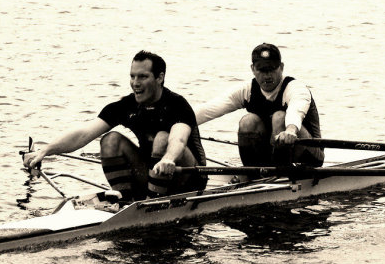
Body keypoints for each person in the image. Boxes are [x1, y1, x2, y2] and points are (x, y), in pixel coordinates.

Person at [23, 50, 207, 202]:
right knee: (110, 140)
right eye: (133, 76)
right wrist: (45, 150)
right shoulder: (127, 105)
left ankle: (152, 204)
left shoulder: (177, 104)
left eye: (143, 77)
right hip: (153, 174)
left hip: (188, 176)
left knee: (162, 139)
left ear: (160, 78)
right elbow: (83, 134)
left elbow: (179, 138)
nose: (135, 83)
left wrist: (169, 158)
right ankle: (127, 200)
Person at [195, 43, 323, 167]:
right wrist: (181, 122)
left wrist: (290, 130)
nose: (267, 75)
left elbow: (296, 111)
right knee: (248, 121)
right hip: (272, 152)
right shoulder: (247, 91)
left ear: (281, 67)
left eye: (272, 69)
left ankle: (282, 173)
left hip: (309, 152)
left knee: (279, 117)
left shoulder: (295, 88)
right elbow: (210, 109)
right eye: (262, 70)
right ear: (253, 69)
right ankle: (253, 172)